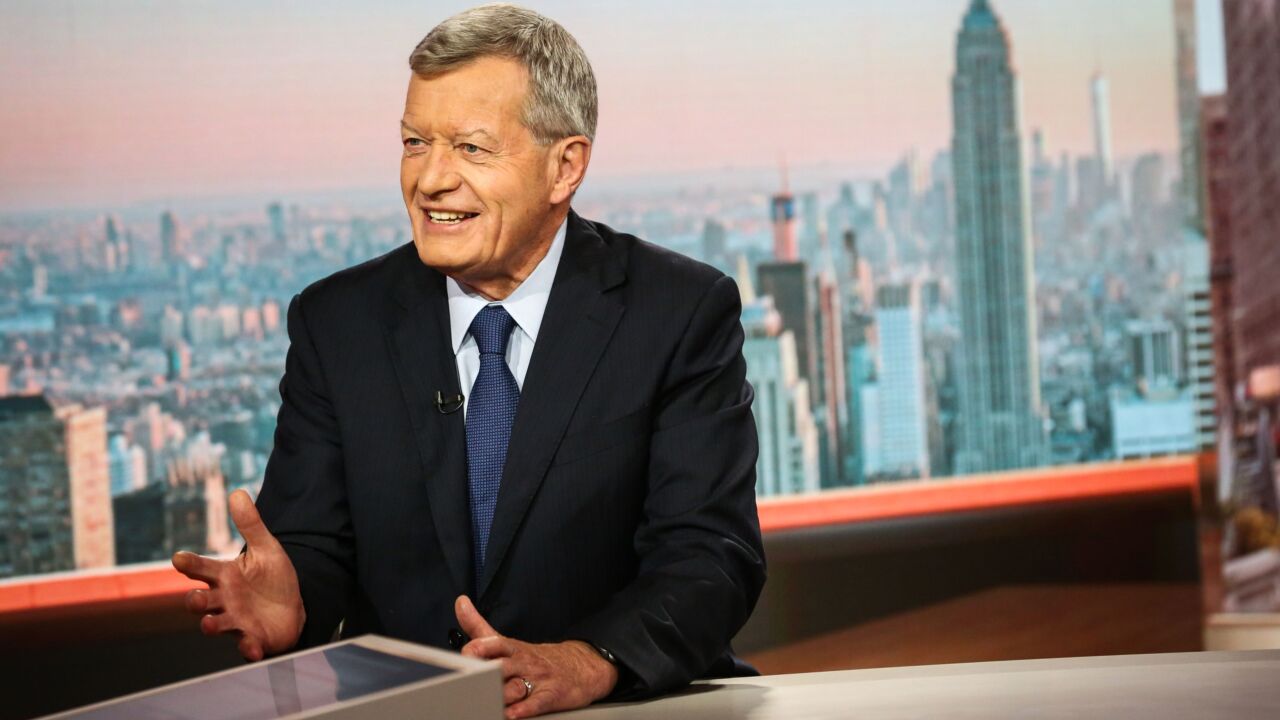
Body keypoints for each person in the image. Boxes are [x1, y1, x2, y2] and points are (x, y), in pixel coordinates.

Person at [171, 4, 765, 718]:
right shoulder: (338, 323)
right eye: (415, 142)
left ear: (564, 166)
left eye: (471, 149)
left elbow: (710, 555)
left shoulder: (678, 312)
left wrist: (589, 661)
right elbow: (312, 543)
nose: (430, 180)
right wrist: (294, 597)